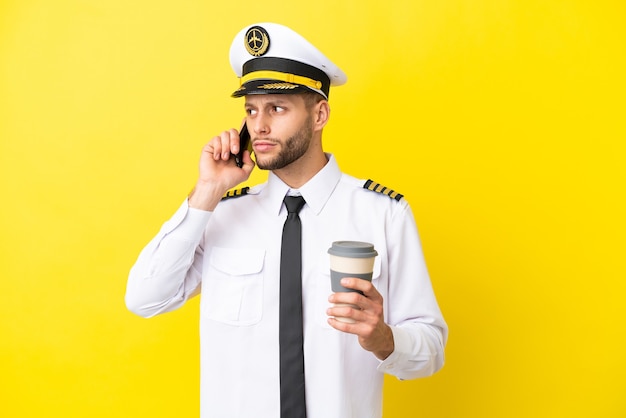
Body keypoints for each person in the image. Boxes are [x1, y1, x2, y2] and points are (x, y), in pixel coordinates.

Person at [125, 22, 447, 418]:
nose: (258, 125)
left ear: (320, 115)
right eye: (251, 110)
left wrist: (384, 338)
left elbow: (431, 350)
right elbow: (144, 298)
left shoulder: (383, 214)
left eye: (277, 108)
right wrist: (207, 191)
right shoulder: (221, 213)